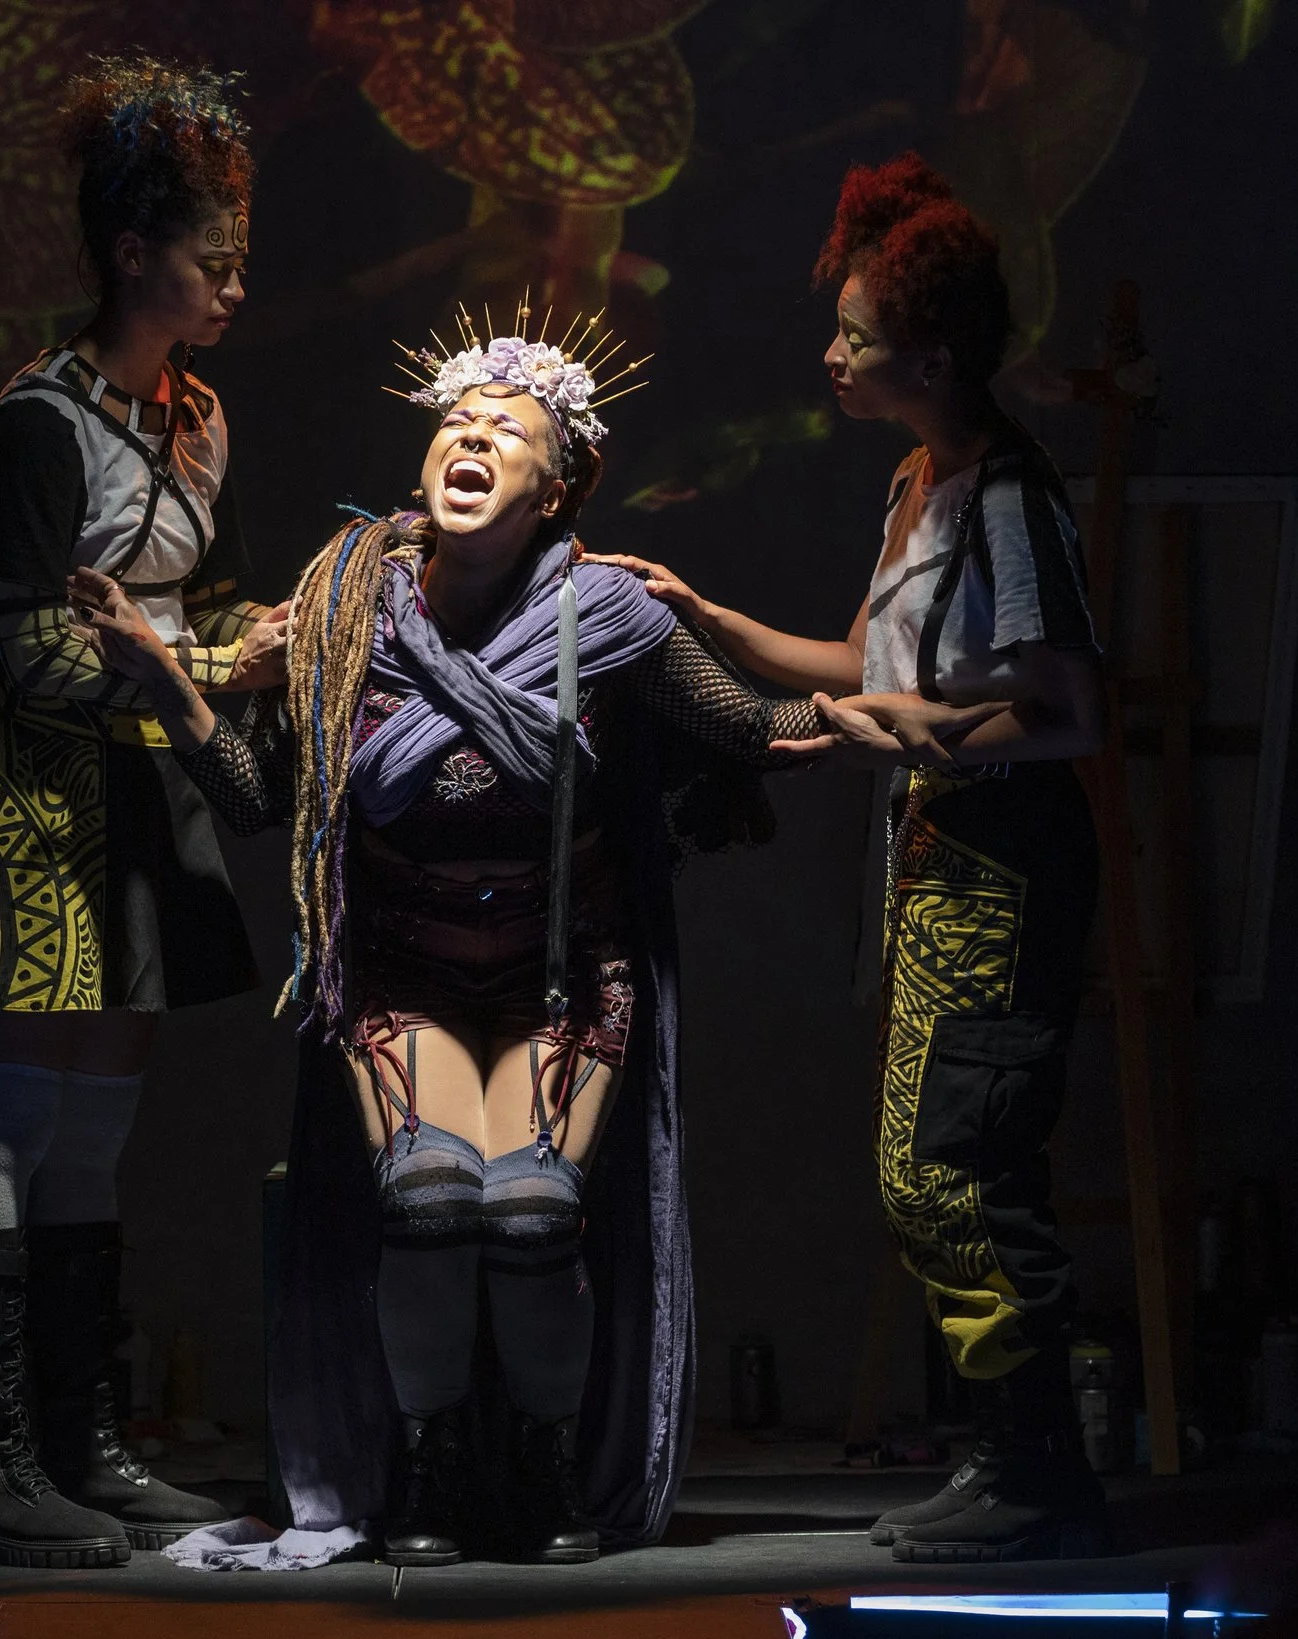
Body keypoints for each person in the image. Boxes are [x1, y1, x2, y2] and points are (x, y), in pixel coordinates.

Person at [72, 315, 819, 1563]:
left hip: (559, 970)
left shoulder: (606, 614)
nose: (471, 437)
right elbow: (258, 802)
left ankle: (540, 1464)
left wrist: (898, 709)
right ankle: (424, 1465)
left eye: (506, 429)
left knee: (528, 1212)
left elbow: (753, 726)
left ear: (557, 485)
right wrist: (161, 673)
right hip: (402, 965)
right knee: (426, 1201)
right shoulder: (345, 601)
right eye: (455, 422)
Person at [589, 153, 1110, 1562]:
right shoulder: (915, 482)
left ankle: (1040, 1473)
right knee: (922, 1166)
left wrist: (932, 735)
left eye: (856, 335)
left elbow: (1069, 713)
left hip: (1004, 862)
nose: (831, 354)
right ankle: (1013, 1461)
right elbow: (859, 663)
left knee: (954, 1165)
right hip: (939, 854)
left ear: (930, 357)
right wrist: (702, 614)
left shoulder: (1007, 497)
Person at [0, 56, 287, 1569]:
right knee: (10, 1117)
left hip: (140, 788)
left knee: (95, 1138)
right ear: (129, 253)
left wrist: (238, 634)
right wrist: (209, 663)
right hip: (31, 800)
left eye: (238, 259)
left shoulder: (198, 417)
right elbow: (43, 653)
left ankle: (83, 1445)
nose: (232, 285)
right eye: (209, 259)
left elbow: (197, 603)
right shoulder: (34, 427)